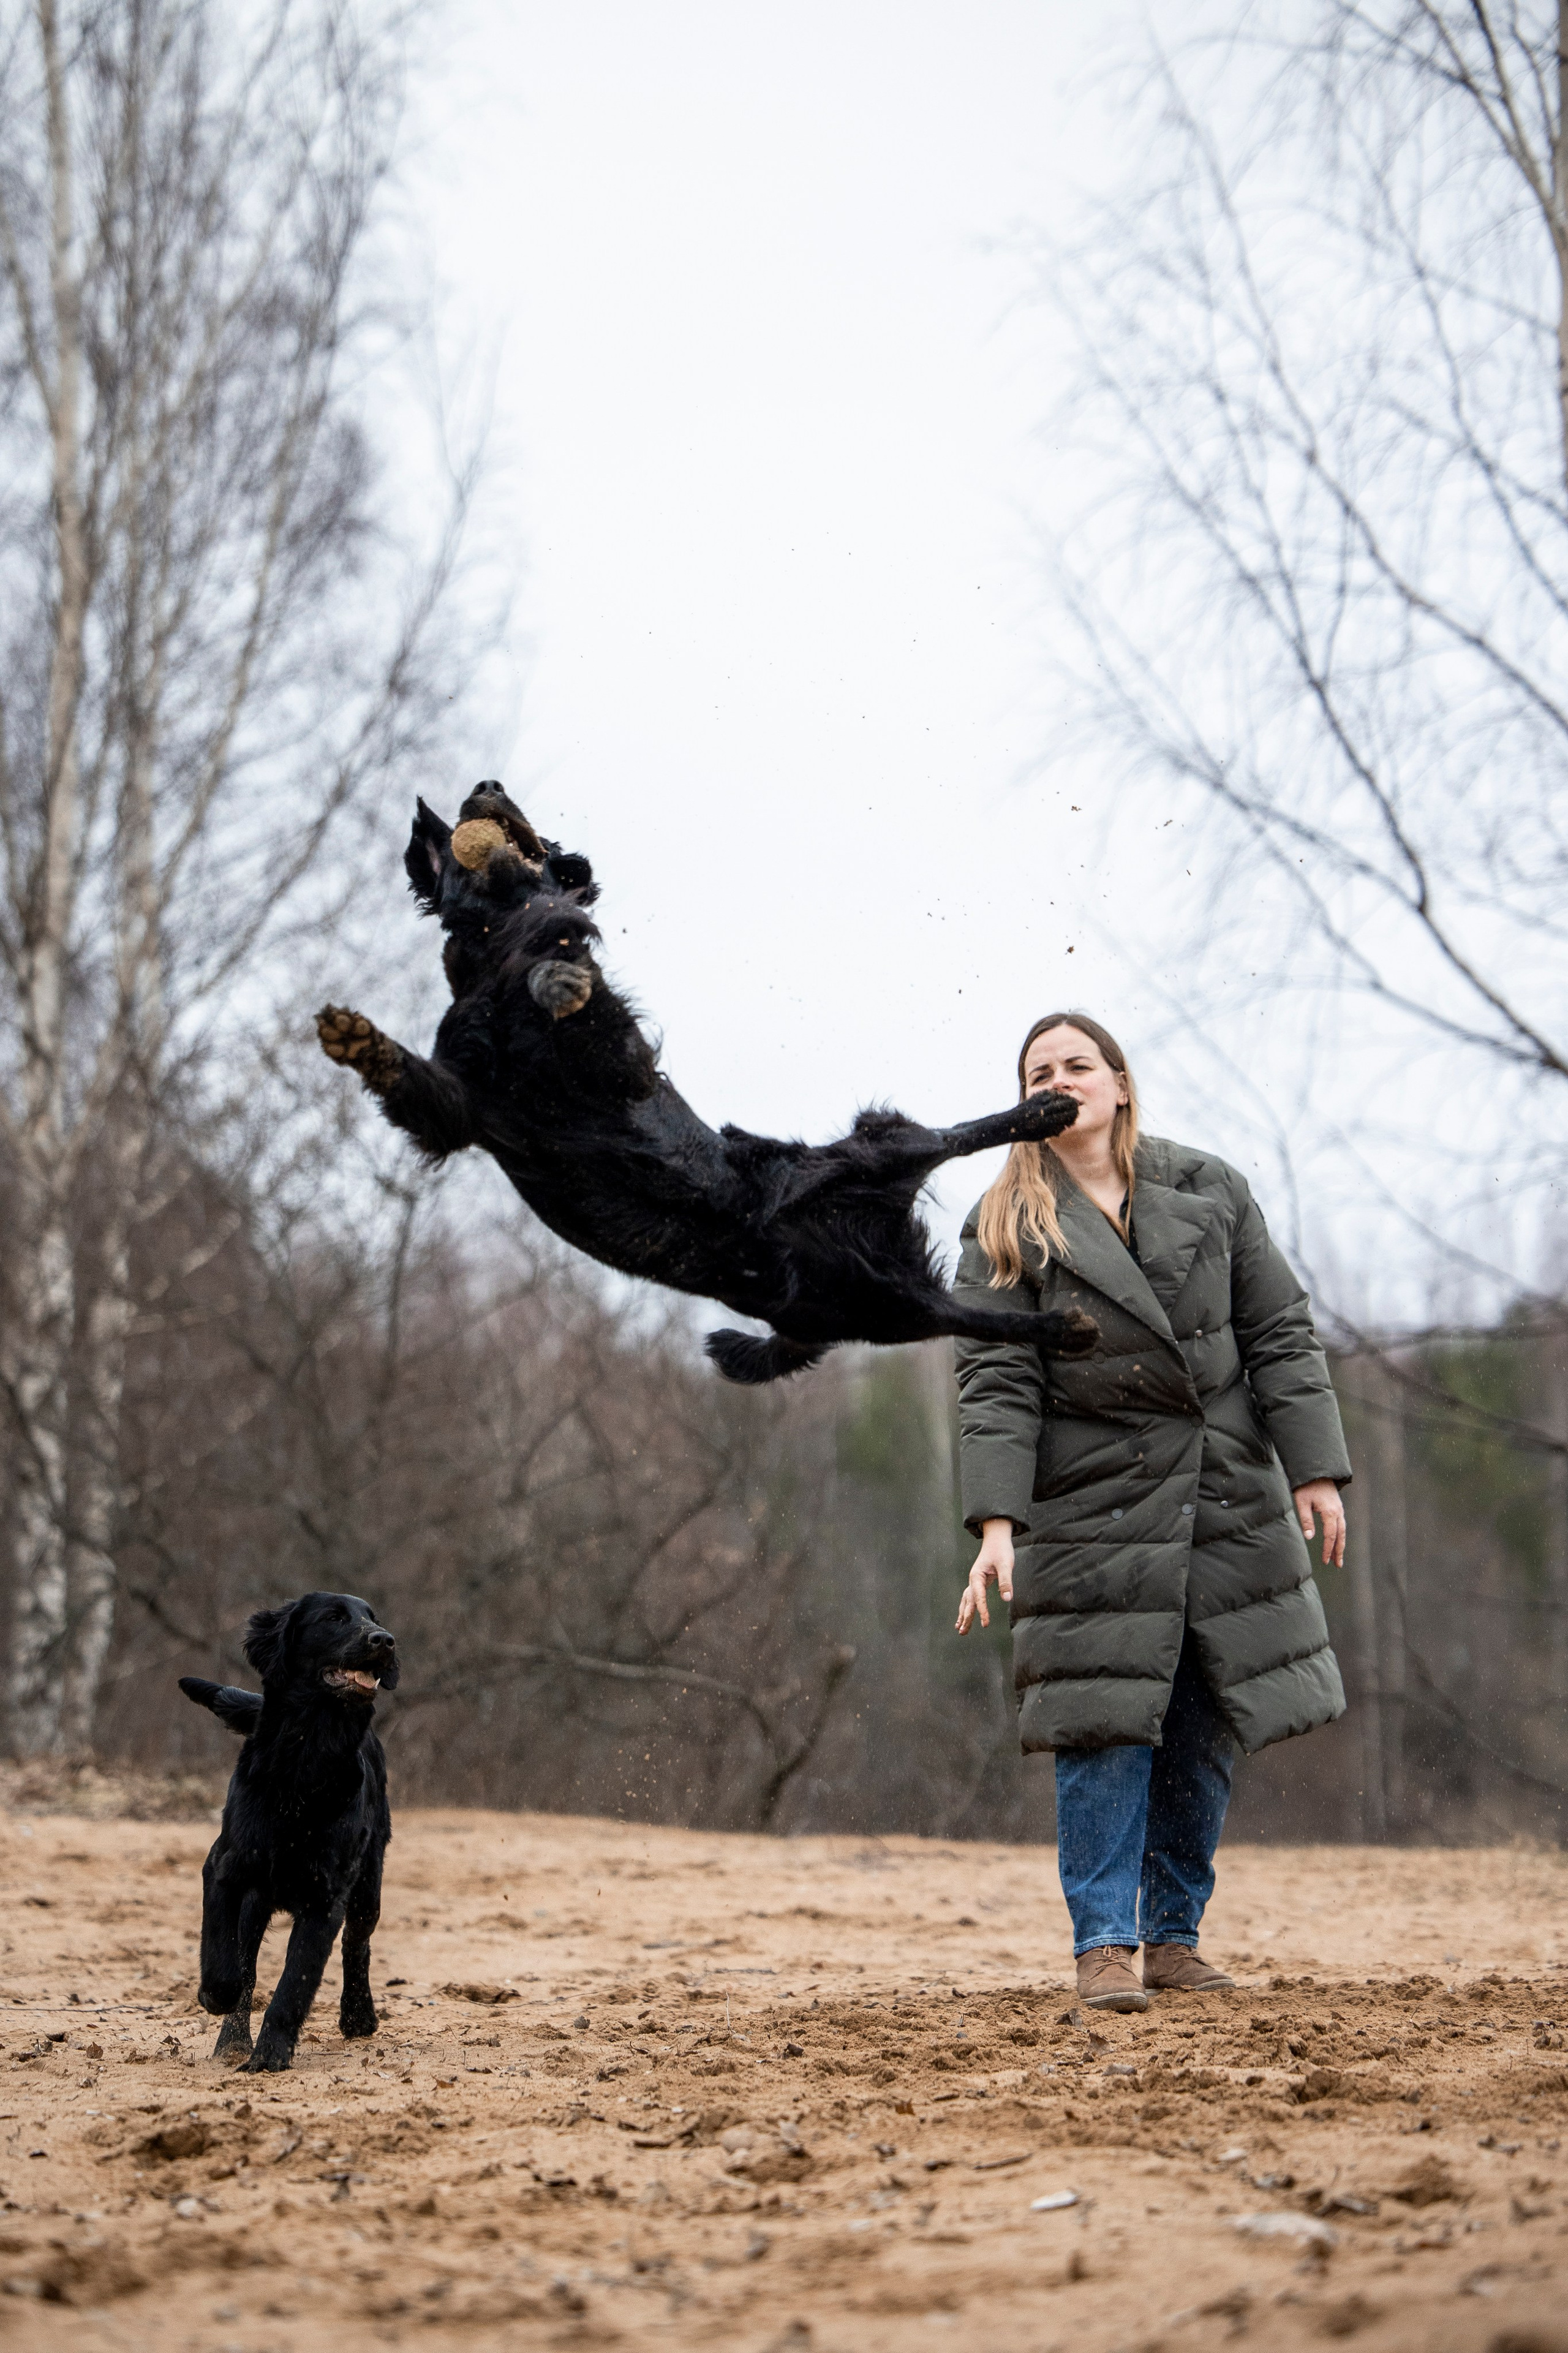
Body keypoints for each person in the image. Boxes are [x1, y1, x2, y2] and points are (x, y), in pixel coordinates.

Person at [952, 1013, 1349, 2012]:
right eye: (1039, 1071)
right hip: (1093, 1502)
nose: (1060, 1078)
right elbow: (994, 1382)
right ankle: (1104, 1945)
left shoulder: (1210, 1188)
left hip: (1223, 1492)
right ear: (1025, 1103)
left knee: (1203, 1717)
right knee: (1104, 1721)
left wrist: (1316, 1470)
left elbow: (1279, 1333)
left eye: (1078, 1063)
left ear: (1119, 1084)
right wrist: (996, 1526)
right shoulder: (1005, 1221)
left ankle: (1175, 1935)